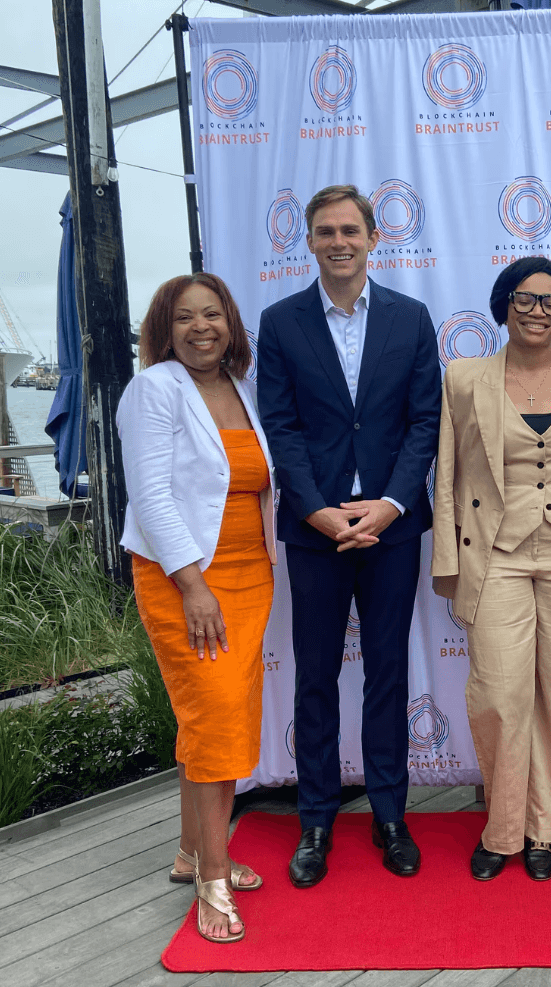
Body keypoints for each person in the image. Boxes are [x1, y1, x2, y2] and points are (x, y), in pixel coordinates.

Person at [257, 184, 441, 887]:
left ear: (372, 238)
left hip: (393, 529)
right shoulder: (280, 322)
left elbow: (424, 421)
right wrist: (317, 511)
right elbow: (281, 427)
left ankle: (391, 816)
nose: (339, 242)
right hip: (316, 532)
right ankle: (316, 820)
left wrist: (391, 504)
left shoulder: (410, 317)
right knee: (316, 677)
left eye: (350, 230)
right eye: (326, 231)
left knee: (389, 672)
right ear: (308, 241)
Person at [431, 256, 551, 882]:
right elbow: (448, 474)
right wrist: (448, 561)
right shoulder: (464, 378)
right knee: (498, 695)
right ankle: (502, 829)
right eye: (526, 298)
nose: (539, 311)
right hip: (495, 554)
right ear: (504, 305)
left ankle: (544, 830)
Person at [118, 273, 276, 944]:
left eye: (212, 314)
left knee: (217, 719)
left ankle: (190, 851)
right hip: (184, 581)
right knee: (216, 724)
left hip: (250, 577)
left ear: (229, 323)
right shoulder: (153, 389)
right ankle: (213, 877)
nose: (200, 327)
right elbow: (150, 495)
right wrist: (193, 585)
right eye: (185, 317)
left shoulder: (242, 387)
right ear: (165, 328)